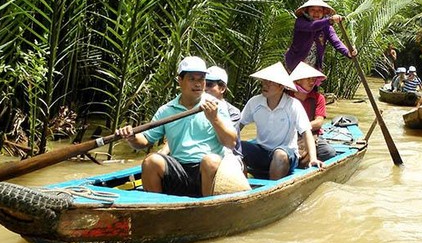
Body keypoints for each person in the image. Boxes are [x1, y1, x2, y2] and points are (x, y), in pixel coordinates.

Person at [116, 56, 239, 197]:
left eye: (201, 79)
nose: (198, 84)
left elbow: (231, 143)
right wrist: (131, 137)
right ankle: (156, 209)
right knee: (151, 161)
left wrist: (214, 118)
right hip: (179, 168)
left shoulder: (216, 106)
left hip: (208, 171)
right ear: (180, 81)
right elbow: (144, 141)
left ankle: (208, 209)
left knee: (210, 161)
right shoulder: (166, 110)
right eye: (192, 79)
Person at [240, 62, 323, 180]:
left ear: (281, 86)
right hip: (262, 151)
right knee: (237, 147)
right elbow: (238, 126)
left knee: (279, 154)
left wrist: (313, 158)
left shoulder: (293, 105)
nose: (265, 85)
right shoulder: (254, 102)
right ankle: (244, 188)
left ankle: (273, 191)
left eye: (270, 82)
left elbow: (306, 132)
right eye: (264, 81)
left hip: (286, 154)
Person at [284, 0, 357, 73]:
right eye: (312, 10)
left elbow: (336, 42)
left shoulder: (327, 27)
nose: (316, 13)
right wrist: (330, 20)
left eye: (319, 10)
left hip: (313, 67)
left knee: (310, 84)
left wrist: (348, 52)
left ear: (323, 12)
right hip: (294, 65)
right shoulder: (300, 22)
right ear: (307, 11)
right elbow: (312, 26)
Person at [288, 62, 337, 166]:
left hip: (311, 133)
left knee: (329, 152)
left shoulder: (319, 98)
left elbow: (319, 122)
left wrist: (301, 128)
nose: (312, 82)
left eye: (313, 79)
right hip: (289, 134)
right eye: (308, 78)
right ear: (298, 80)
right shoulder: (287, 97)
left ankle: (311, 160)